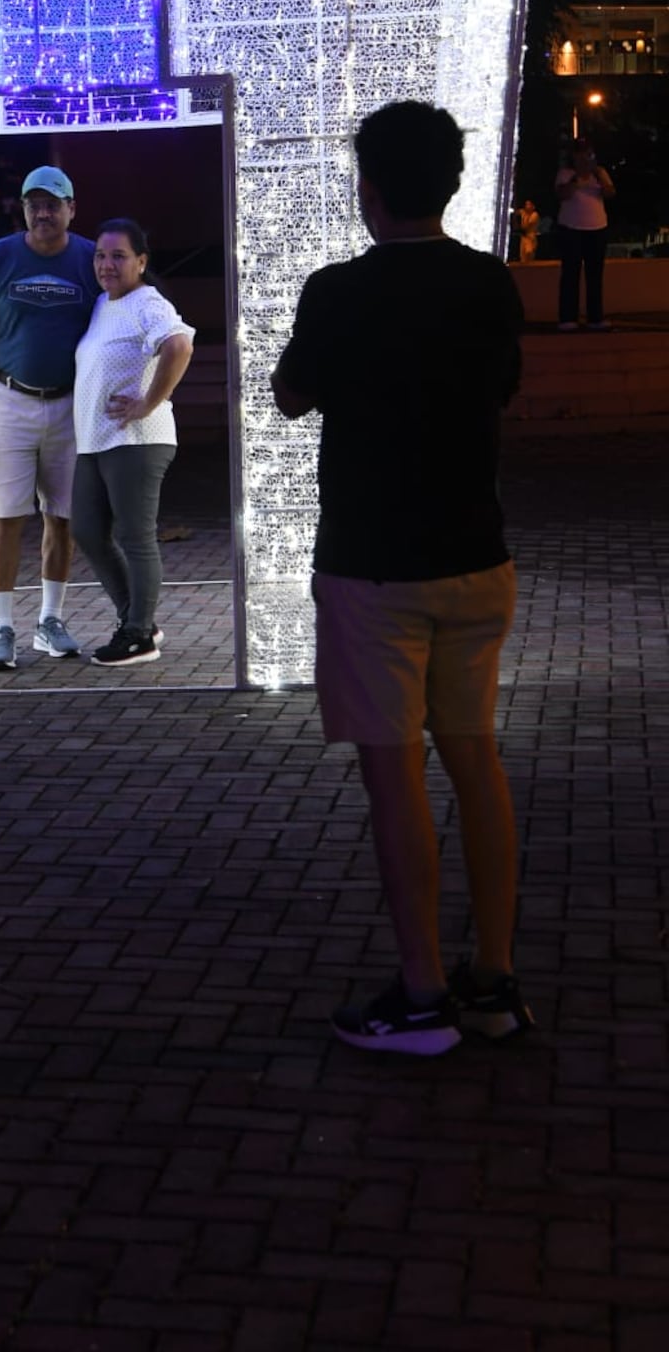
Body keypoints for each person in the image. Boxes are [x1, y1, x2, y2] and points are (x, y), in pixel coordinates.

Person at [272, 101, 532, 1055]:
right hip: (475, 555)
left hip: (372, 565)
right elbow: (503, 388)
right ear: (451, 183)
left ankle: (422, 995)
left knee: (396, 780)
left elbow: (290, 394)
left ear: (369, 189)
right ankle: (494, 980)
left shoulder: (338, 290)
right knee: (476, 763)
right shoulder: (489, 283)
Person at [0, 165, 98, 670]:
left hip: (69, 404)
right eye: (34, 204)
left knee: (62, 516)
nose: (43, 212)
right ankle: (1, 628)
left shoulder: (91, 258)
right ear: (23, 208)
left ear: (71, 209)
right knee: (6, 515)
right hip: (9, 399)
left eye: (53, 203)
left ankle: (50, 620)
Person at [71, 219, 194, 667]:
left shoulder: (147, 302)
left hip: (136, 440)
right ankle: (136, 618)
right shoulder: (103, 303)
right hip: (96, 441)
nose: (107, 264)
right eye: (100, 256)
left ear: (141, 262)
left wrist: (148, 403)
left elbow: (179, 346)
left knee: (135, 537)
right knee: (86, 530)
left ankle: (139, 636)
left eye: (118, 256)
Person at [555, 140, 615, 330]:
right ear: (574, 156)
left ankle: (595, 318)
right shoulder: (566, 174)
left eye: (588, 153)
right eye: (580, 153)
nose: (584, 157)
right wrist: (577, 177)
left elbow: (610, 193)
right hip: (571, 228)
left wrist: (597, 174)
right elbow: (563, 194)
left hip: (597, 228)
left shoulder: (599, 173)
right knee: (570, 273)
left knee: (595, 275)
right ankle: (567, 318)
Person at [516, 198, 540, 265]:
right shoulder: (523, 212)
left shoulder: (534, 215)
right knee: (522, 257)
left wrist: (519, 228)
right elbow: (516, 212)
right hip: (524, 237)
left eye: (529, 204)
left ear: (533, 206)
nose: (527, 206)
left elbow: (527, 226)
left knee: (529, 254)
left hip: (530, 237)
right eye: (526, 204)